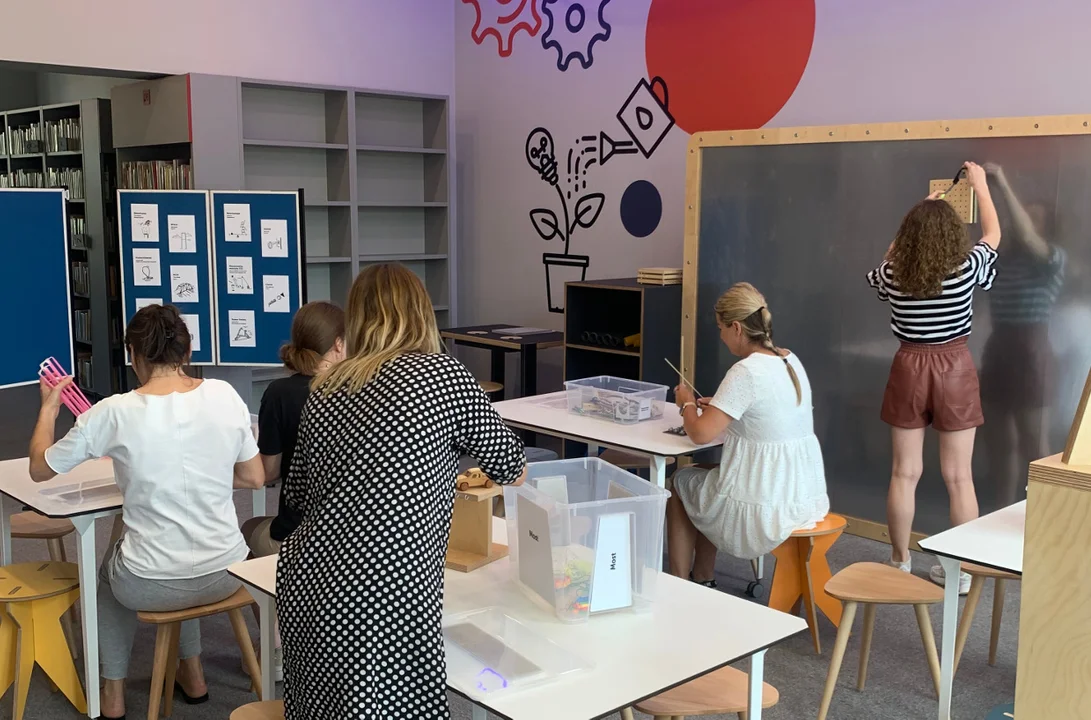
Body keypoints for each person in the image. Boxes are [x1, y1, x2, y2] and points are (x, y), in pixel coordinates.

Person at [276, 263, 528, 720]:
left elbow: (299, 495)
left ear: (356, 319)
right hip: (387, 592)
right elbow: (511, 466)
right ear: (420, 312)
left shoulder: (327, 386)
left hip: (308, 581)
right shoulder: (443, 376)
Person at [28, 304, 265, 720]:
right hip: (227, 572)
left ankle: (113, 693)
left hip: (152, 582)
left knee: (110, 574)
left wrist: (49, 406)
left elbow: (39, 469)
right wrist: (199, 476)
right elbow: (254, 477)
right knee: (181, 543)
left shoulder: (113, 412)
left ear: (133, 355)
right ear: (187, 351)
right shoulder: (225, 395)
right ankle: (193, 674)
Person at [867, 161, 1001, 592]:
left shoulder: (893, 273)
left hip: (909, 366)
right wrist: (981, 187)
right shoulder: (965, 269)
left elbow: (889, 257)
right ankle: (959, 573)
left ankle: (899, 561)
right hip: (955, 366)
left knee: (904, 473)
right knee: (959, 477)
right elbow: (992, 235)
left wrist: (917, 214)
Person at [669, 282, 829, 586]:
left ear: (737, 328)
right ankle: (702, 576)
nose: (720, 336)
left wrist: (687, 403)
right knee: (706, 477)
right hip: (801, 493)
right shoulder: (789, 359)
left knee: (680, 481)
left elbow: (699, 434)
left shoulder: (746, 371)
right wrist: (722, 405)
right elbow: (767, 414)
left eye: (721, 328)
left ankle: (680, 583)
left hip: (764, 503)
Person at [978, 163, 1066, 508]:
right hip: (999, 348)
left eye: (1033, 219)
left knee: (1034, 442)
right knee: (999, 442)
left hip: (1031, 353)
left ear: (1046, 228)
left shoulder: (1051, 260)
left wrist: (1000, 181)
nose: (1022, 223)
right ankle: (1002, 506)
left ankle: (1047, 513)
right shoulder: (1001, 261)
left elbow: (1028, 237)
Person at [241, 301, 346, 558]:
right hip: (351, 537)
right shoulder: (359, 390)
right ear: (338, 344)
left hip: (299, 536)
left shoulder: (280, 393)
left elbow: (269, 473)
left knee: (248, 528)